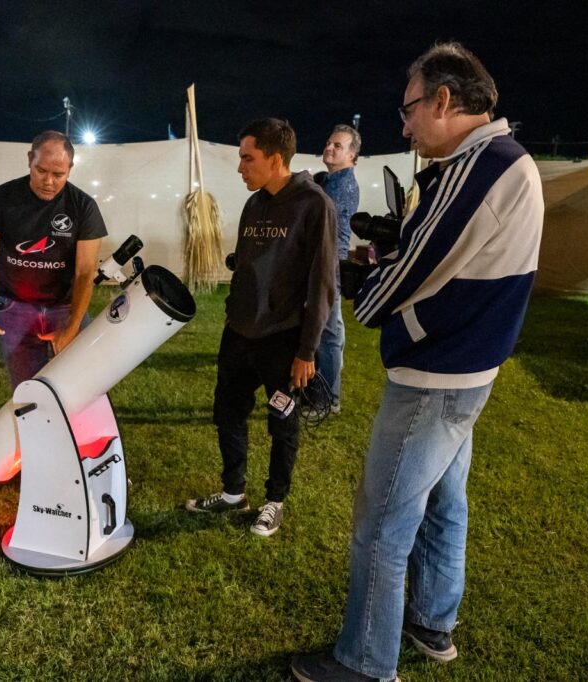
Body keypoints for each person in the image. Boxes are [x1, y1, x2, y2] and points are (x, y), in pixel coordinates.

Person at [291, 42, 544, 682]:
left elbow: (401, 279)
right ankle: (431, 622)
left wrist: (365, 286)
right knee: (444, 503)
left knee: (382, 523)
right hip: (470, 367)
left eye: (408, 111)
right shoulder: (509, 159)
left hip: (436, 372)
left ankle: (365, 662)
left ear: (443, 100)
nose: (404, 127)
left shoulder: (479, 166)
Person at [185, 118, 336, 537]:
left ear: (274, 158)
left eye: (247, 158)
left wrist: (306, 351)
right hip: (239, 334)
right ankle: (233, 492)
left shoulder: (314, 204)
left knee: (281, 421)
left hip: (283, 339)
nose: (240, 167)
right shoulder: (254, 205)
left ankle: (274, 502)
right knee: (227, 412)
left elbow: (323, 283)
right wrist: (234, 311)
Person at [0, 131, 107, 390]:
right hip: (15, 308)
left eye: (58, 174)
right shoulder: (1, 197)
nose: (48, 182)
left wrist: (72, 326)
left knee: (82, 384)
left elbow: (85, 271)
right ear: (30, 158)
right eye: (41, 170)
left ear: (70, 168)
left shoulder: (83, 206)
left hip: (65, 307)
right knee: (27, 389)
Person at [314, 124, 361, 413]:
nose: (329, 147)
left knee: (327, 333)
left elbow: (319, 223)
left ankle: (328, 398)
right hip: (326, 261)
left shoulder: (342, 185)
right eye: (329, 142)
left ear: (352, 155)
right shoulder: (331, 180)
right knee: (329, 329)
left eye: (338, 146)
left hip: (328, 263)